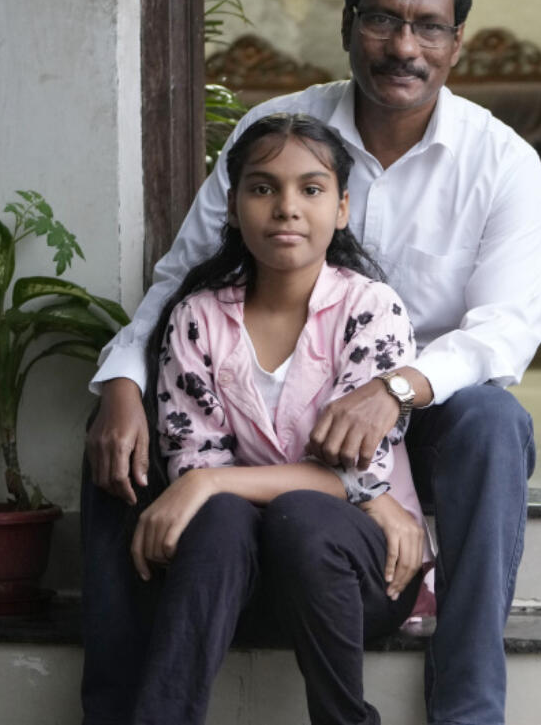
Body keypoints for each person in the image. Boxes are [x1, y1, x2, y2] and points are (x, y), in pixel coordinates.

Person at [83, 0, 541, 725]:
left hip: (423, 412)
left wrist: (396, 389)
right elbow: (184, 275)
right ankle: (117, 706)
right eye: (382, 19)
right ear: (348, 24)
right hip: (278, 414)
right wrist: (122, 377)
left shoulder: (501, 160)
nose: (404, 45)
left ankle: (468, 704)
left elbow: (507, 327)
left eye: (428, 26)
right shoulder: (284, 132)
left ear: (456, 42)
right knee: (111, 432)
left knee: (494, 420)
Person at [128, 112, 429, 725]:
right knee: (219, 520)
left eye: (310, 189)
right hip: (236, 579)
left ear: (341, 207)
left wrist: (211, 480)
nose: (286, 207)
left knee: (301, 515)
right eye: (263, 188)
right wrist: (206, 484)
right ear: (235, 206)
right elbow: (197, 468)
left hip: (360, 578)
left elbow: (352, 478)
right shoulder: (197, 319)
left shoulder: (371, 309)